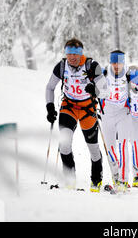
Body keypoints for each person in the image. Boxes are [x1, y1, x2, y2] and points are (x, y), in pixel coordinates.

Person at [45, 38, 109, 192]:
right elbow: (50, 88)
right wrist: (50, 107)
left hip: (88, 110)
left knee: (93, 148)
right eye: (69, 54)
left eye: (76, 53)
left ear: (81, 53)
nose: (72, 57)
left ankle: (96, 181)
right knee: (64, 144)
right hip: (69, 107)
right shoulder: (61, 66)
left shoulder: (92, 66)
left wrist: (95, 89)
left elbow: (106, 91)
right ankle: (70, 179)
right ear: (66, 54)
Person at [100, 50, 133, 192]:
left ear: (123, 62)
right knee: (110, 148)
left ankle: (124, 181)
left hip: (123, 113)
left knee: (123, 145)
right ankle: (116, 177)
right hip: (107, 113)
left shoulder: (130, 75)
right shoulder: (103, 73)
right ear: (110, 62)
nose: (116, 65)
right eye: (114, 62)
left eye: (119, 62)